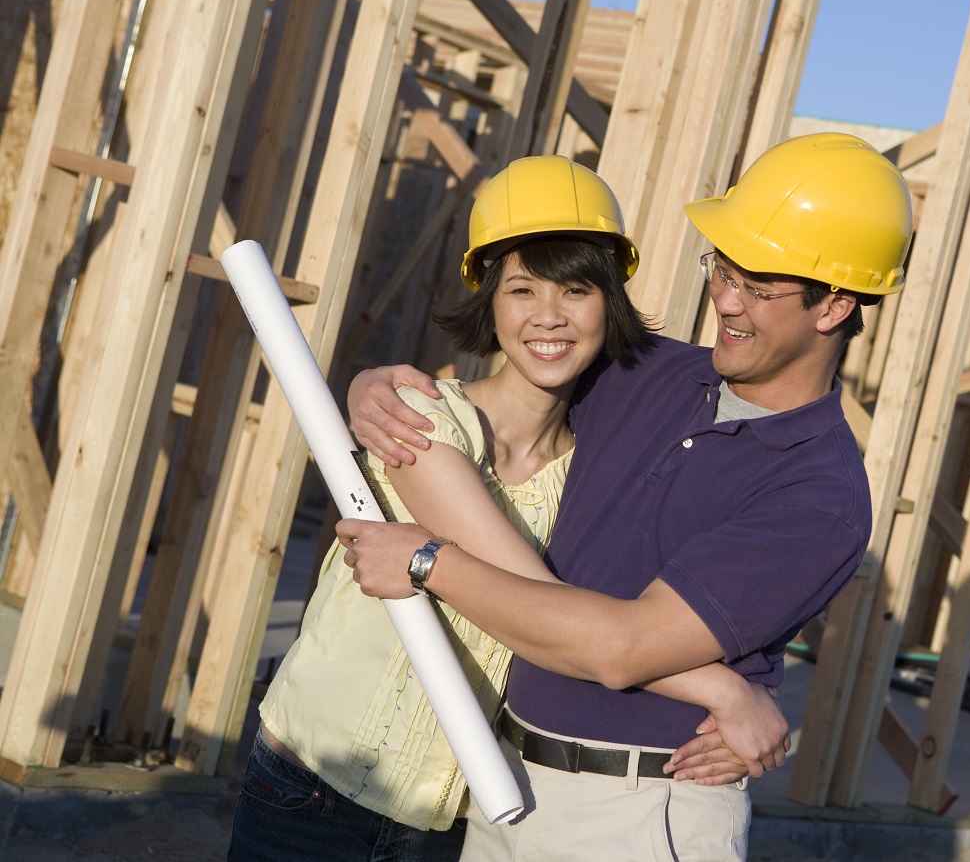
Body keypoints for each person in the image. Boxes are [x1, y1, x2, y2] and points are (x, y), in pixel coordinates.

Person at [341, 132, 913, 861]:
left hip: (641, 813)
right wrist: (375, 387)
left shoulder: (819, 497)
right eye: (722, 270)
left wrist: (428, 563)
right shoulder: (648, 371)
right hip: (504, 788)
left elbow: (621, 649)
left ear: (834, 305)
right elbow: (508, 377)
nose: (726, 302)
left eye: (757, 288)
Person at [228, 156, 787, 862]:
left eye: (577, 289)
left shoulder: (592, 470)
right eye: (522, 289)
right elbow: (550, 607)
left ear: (608, 302)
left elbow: (583, 621)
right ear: (489, 300)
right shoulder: (422, 420)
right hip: (310, 789)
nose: (548, 316)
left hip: (454, 813)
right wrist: (725, 691)